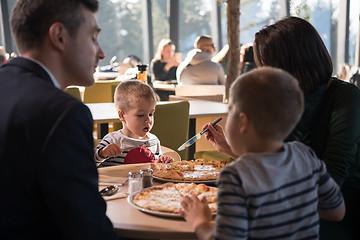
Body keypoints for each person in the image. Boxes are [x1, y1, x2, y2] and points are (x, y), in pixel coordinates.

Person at [202, 16, 360, 239]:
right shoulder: (282, 98)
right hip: (297, 205)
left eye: (267, 64)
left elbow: (333, 176)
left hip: (332, 209)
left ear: (293, 62)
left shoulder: (344, 96)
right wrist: (229, 148)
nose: (264, 72)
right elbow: (279, 162)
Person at [180, 67, 345, 240]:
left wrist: (200, 222)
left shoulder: (236, 176)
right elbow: (337, 212)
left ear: (243, 121)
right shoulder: (305, 156)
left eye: (230, 112)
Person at [0, 0, 118, 239]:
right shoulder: (63, 113)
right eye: (93, 37)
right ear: (59, 36)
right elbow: (88, 229)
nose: (101, 53)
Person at [94, 80, 173, 166]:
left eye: (151, 114)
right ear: (122, 116)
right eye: (140, 115)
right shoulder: (113, 140)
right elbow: (89, 162)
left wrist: (161, 163)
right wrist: (102, 153)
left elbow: (154, 167)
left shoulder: (154, 141)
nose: (148, 120)